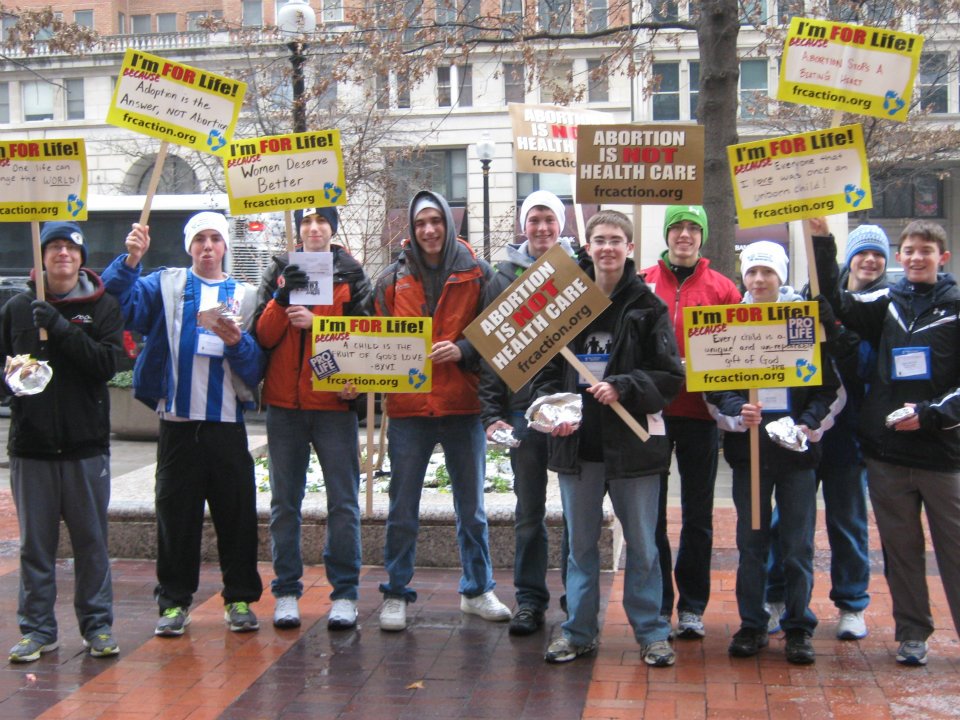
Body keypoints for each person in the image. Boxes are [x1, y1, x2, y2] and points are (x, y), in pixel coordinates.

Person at [101, 211, 265, 637]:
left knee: (237, 515)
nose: (207, 246)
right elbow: (118, 303)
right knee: (176, 517)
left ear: (225, 246)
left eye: (215, 238)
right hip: (176, 423)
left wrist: (238, 342)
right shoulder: (166, 284)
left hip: (226, 425)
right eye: (199, 239)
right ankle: (173, 603)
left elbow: (255, 368)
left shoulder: (247, 296)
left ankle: (241, 598)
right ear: (189, 246)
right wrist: (130, 260)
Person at [537, 210, 684, 667]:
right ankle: (578, 631)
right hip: (577, 446)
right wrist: (551, 412)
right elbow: (540, 373)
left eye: (616, 240)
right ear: (587, 246)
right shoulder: (564, 302)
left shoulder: (648, 306)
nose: (607, 247)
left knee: (641, 543)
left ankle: (652, 632)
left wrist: (624, 386)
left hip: (634, 447)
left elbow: (669, 377)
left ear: (630, 247)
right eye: (599, 239)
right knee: (580, 547)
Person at [814, 220, 960, 666]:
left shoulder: (955, 307)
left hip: (941, 455)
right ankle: (912, 633)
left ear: (943, 258)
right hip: (888, 455)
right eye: (910, 251)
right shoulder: (886, 302)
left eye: (926, 251)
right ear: (901, 257)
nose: (916, 258)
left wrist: (932, 416)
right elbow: (836, 303)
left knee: (954, 550)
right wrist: (821, 242)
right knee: (901, 552)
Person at [373, 190, 510, 632]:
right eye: (420, 224)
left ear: (449, 226)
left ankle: (477, 589)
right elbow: (371, 339)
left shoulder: (479, 273)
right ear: (411, 230)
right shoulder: (390, 280)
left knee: (471, 508)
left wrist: (464, 350)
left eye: (436, 221)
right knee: (402, 507)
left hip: (462, 406)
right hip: (410, 410)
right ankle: (396, 592)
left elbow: (498, 334)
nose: (429, 230)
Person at [706, 240, 844, 665]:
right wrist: (735, 409)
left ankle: (798, 625)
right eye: (752, 272)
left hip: (796, 458)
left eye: (768, 271)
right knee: (751, 542)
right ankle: (752, 623)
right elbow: (714, 384)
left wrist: (810, 423)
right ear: (743, 277)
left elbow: (829, 390)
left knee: (798, 545)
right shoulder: (728, 323)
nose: (760, 279)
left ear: (781, 275)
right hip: (749, 456)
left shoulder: (804, 321)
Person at [0, 222, 124, 662]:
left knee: (91, 542)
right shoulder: (17, 308)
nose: (62, 255)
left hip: (85, 446)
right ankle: (38, 630)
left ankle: (97, 626)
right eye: (53, 247)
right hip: (31, 446)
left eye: (70, 248)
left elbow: (108, 364)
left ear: (81, 257)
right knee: (36, 545)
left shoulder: (102, 306)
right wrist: (10, 379)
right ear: (42, 257)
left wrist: (61, 327)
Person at [765, 222, 888, 640]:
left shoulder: (884, 307)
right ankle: (775, 593)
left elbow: (860, 357)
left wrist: (835, 331)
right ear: (848, 258)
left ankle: (852, 603)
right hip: (805, 424)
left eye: (877, 255)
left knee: (847, 520)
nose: (869, 261)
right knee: (788, 520)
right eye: (862, 253)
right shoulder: (809, 297)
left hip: (849, 433)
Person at [254, 206, 372, 630]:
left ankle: (344, 594)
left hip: (333, 408)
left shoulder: (352, 275)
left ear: (332, 229)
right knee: (285, 504)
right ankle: (286, 590)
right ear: (298, 229)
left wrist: (316, 323)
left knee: (343, 503)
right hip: (285, 407)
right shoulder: (279, 271)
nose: (313, 228)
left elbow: (366, 336)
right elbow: (263, 337)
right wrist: (282, 299)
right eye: (305, 222)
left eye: (321, 221)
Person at [642, 205, 741, 639]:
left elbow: (737, 352)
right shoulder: (642, 283)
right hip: (653, 414)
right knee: (654, 514)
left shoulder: (723, 289)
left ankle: (694, 605)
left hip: (701, 416)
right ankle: (662, 600)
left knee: (698, 514)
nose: (684, 234)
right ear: (667, 234)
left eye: (692, 227)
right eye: (677, 227)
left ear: (701, 235)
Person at [479, 190, 575, 635]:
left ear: (561, 225)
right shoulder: (501, 279)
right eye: (534, 219)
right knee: (529, 513)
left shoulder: (582, 271)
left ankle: (577, 595)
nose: (541, 228)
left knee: (579, 511)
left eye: (549, 220)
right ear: (524, 225)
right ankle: (530, 600)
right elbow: (490, 352)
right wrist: (491, 411)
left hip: (573, 408)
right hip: (522, 411)